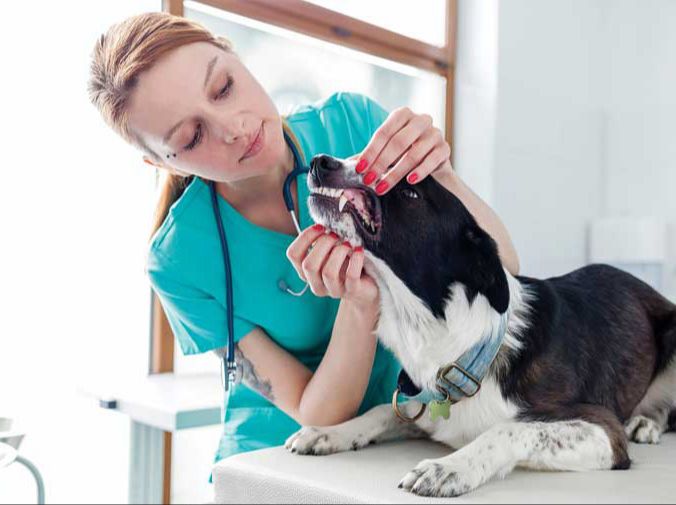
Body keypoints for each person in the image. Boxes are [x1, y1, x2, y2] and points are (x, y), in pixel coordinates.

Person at [87, 12, 520, 467]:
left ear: (234, 55)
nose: (232, 127)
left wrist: (443, 176)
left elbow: (503, 273)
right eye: (192, 137)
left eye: (223, 88)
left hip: (409, 427)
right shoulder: (179, 262)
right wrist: (359, 305)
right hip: (282, 454)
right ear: (164, 164)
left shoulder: (355, 126)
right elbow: (319, 414)